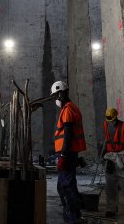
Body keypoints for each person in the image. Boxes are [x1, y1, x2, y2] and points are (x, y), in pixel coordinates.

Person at [52, 80, 87, 224]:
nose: (55, 99)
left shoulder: (67, 110)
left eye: (55, 95)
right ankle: (72, 213)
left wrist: (63, 156)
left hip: (67, 153)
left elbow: (68, 134)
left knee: (67, 185)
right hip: (70, 152)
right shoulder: (73, 108)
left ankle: (74, 216)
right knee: (63, 186)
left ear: (61, 93)